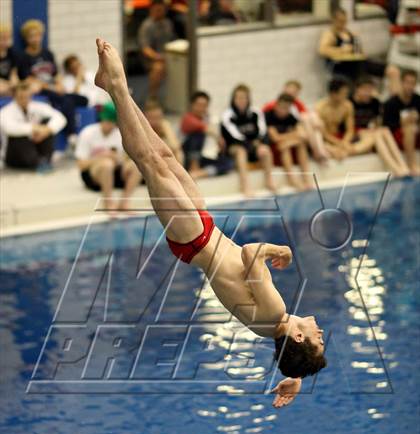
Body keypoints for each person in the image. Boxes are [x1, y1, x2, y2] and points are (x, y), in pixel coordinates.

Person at [93, 38, 327, 406]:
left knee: (149, 162)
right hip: (202, 232)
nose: (320, 331)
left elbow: (251, 254)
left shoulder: (276, 313)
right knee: (163, 154)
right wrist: (294, 374)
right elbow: (253, 273)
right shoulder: (272, 325)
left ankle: (118, 85)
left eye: (318, 338)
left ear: (298, 338)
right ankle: (112, 86)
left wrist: (278, 249)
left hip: (196, 237)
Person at [75, 101, 142, 213]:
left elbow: (124, 160)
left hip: (114, 172)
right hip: (92, 175)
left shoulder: (119, 134)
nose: (110, 125)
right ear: (102, 119)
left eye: (112, 122)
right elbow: (81, 165)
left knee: (136, 166)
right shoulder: (88, 133)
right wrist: (100, 157)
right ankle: (108, 202)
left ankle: (124, 202)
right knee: (107, 164)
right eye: (107, 121)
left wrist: (118, 159)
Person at [17, 19, 78, 138]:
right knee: (68, 102)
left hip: (54, 88)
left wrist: (59, 84)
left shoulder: (47, 53)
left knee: (82, 99)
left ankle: (66, 124)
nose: (35, 39)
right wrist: (52, 87)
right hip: (42, 89)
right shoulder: (23, 57)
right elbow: (28, 79)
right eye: (31, 36)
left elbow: (55, 74)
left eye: (38, 35)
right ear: (26, 38)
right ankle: (72, 136)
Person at [221, 84, 276, 196]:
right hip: (234, 148)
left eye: (244, 97)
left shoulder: (256, 112)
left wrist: (259, 145)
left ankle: (269, 181)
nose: (241, 100)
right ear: (233, 99)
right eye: (238, 97)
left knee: (265, 150)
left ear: (248, 99)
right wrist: (253, 145)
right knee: (241, 151)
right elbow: (234, 137)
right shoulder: (227, 115)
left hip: (253, 147)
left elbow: (262, 132)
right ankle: (245, 186)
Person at [0, 81, 66, 170]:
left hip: (35, 146)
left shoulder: (37, 106)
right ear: (14, 96)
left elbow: (60, 118)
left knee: (47, 123)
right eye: (21, 97)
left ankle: (44, 160)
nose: (24, 99)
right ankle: (37, 162)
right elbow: (9, 128)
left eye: (27, 96)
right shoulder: (5, 111)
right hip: (14, 154)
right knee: (19, 136)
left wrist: (47, 130)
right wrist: (34, 128)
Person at [352, 76, 409, 176]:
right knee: (377, 135)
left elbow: (377, 121)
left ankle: (402, 165)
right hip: (356, 132)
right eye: (365, 90)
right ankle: (394, 168)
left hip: (369, 130)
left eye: (370, 90)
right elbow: (347, 126)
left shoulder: (375, 102)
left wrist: (374, 127)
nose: (368, 93)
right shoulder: (350, 103)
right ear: (357, 89)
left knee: (385, 130)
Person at [263, 80, 329, 163]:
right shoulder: (271, 107)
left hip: (301, 134)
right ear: (284, 89)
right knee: (306, 121)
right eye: (290, 91)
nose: (292, 94)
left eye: (295, 92)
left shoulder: (297, 105)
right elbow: (275, 136)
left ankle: (319, 150)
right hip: (282, 135)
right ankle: (318, 151)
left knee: (312, 119)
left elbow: (302, 131)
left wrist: (317, 121)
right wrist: (294, 135)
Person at [315, 76, 376, 160]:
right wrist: (339, 143)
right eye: (343, 94)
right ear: (333, 94)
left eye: (346, 93)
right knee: (324, 147)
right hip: (326, 140)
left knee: (370, 139)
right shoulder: (320, 108)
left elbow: (350, 129)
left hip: (341, 137)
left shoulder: (347, 105)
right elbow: (323, 133)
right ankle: (342, 152)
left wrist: (345, 142)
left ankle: (346, 152)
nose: (345, 96)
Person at [265, 93, 313, 192]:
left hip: (289, 148)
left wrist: (289, 140)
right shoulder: (268, 116)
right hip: (275, 151)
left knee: (301, 145)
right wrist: (292, 136)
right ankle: (292, 179)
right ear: (276, 105)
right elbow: (276, 138)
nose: (283, 111)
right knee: (284, 146)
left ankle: (306, 178)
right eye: (281, 107)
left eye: (287, 108)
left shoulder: (290, 117)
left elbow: (303, 134)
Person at [180, 90, 232, 179]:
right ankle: (194, 167)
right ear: (192, 105)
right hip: (183, 159)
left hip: (199, 157)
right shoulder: (187, 118)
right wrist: (218, 138)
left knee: (228, 163)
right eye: (198, 105)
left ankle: (202, 173)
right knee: (197, 135)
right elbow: (201, 127)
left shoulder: (204, 119)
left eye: (204, 106)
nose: (201, 108)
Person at [383, 70, 420, 175]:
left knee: (412, 127)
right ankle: (411, 164)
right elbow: (386, 127)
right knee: (409, 128)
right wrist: (402, 122)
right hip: (397, 136)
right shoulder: (390, 103)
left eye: (413, 83)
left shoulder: (418, 100)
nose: (410, 86)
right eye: (408, 82)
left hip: (416, 135)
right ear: (402, 83)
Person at [138, 0, 175, 100]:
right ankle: (152, 96)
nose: (161, 12)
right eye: (158, 10)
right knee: (158, 68)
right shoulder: (146, 26)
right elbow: (145, 49)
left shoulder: (167, 23)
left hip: (167, 55)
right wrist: (158, 57)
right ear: (151, 10)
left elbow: (172, 40)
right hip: (152, 59)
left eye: (163, 10)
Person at [0, 24, 18, 96]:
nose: (4, 42)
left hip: (7, 84)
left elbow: (13, 73)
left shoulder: (12, 52)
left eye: (6, 39)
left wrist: (14, 84)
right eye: (1, 39)